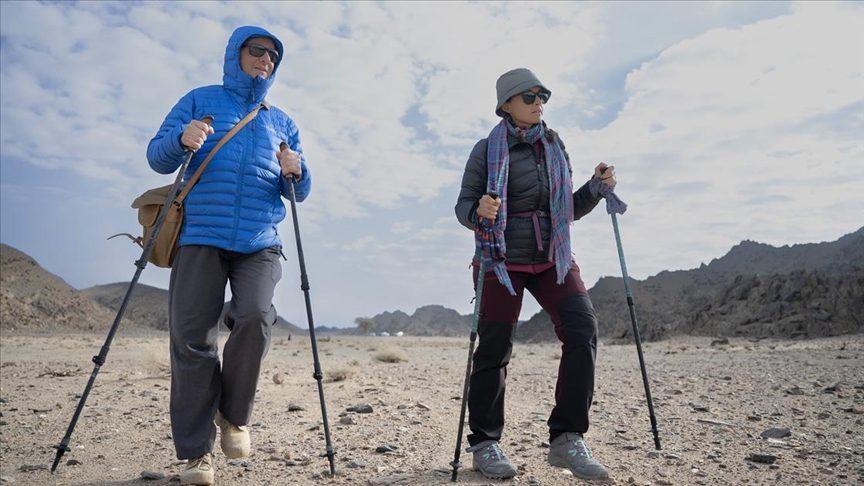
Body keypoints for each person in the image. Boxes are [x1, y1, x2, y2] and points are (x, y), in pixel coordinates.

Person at [147, 26, 311, 486]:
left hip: (259, 241)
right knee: (193, 339)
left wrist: (298, 172)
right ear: (235, 54)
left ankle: (234, 417)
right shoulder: (199, 100)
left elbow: (297, 192)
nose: (266, 59)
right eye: (257, 50)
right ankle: (196, 454)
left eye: (273, 56)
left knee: (256, 317)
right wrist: (181, 139)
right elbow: (157, 157)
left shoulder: (282, 122)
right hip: (200, 234)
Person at [454, 68, 616, 481]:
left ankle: (567, 438)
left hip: (552, 257)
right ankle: (484, 444)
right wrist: (478, 211)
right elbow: (463, 206)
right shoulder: (486, 150)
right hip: (500, 259)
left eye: (543, 95)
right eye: (529, 96)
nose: (539, 102)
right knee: (494, 348)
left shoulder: (554, 146)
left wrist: (596, 188)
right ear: (507, 104)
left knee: (582, 329)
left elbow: (567, 209)